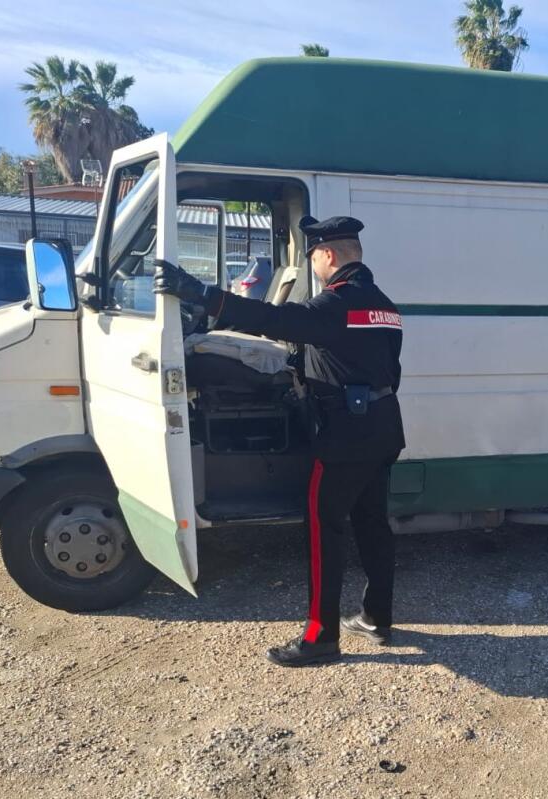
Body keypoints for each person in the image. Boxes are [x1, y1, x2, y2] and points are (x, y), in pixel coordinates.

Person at [153, 215, 405, 667]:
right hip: (383, 427)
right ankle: (376, 616)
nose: (315, 265)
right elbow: (387, 368)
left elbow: (272, 318)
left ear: (328, 254)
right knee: (373, 524)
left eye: (314, 257)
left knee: (323, 532)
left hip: (344, 435)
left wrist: (201, 294)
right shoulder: (384, 305)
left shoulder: (334, 304)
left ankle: (320, 637)